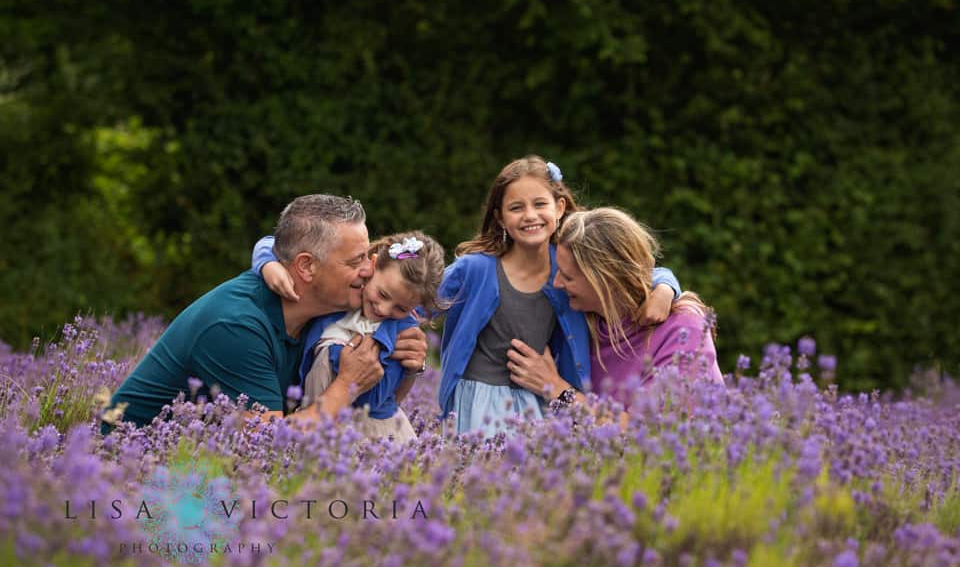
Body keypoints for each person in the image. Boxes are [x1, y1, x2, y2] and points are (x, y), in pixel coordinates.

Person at [102, 195, 427, 431]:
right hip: (129, 474)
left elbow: (378, 409)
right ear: (306, 267)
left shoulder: (324, 315)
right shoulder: (235, 327)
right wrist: (347, 384)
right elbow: (270, 444)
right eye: (355, 261)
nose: (370, 270)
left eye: (369, 257)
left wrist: (407, 368)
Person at [438, 157, 681, 437]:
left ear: (560, 207)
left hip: (539, 401)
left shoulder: (568, 263)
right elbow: (419, 298)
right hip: (477, 401)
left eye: (540, 204)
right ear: (500, 218)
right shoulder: (476, 268)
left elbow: (624, 269)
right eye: (516, 208)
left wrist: (665, 286)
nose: (530, 215)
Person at [505, 207, 723, 410]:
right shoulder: (580, 318)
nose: (557, 284)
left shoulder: (683, 331)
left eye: (568, 277)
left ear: (604, 280)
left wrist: (555, 389)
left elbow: (648, 433)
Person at [253, 231, 447, 443]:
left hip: (366, 434)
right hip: (314, 417)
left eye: (401, 308)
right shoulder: (347, 294)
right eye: (382, 294)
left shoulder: (401, 331)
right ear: (372, 266)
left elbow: (374, 400)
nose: (383, 309)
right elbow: (276, 243)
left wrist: (342, 357)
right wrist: (267, 264)